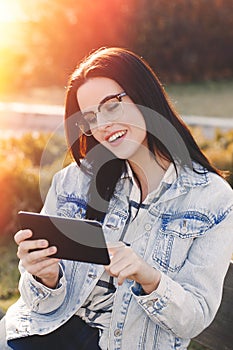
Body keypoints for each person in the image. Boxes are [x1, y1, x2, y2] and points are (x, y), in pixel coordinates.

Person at [1, 47, 233, 350]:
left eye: (111, 106)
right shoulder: (74, 180)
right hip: (47, 332)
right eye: (90, 118)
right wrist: (47, 278)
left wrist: (148, 277)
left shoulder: (212, 199)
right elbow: (35, 304)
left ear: (143, 96)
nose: (102, 126)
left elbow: (195, 316)